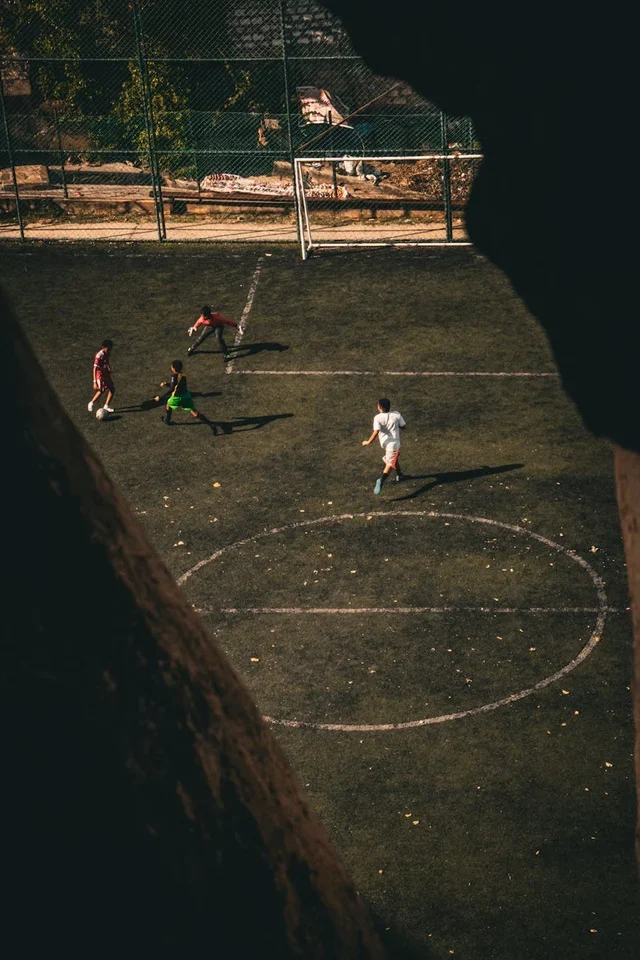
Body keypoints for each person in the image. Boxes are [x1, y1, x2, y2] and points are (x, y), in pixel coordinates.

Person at [362, 397, 406, 494]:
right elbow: (403, 426)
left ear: (379, 407)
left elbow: (376, 431)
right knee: (390, 464)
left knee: (394, 457)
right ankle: (381, 480)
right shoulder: (396, 415)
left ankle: (400, 474)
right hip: (394, 444)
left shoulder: (377, 418)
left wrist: (368, 441)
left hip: (385, 443)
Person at [154, 359, 213, 429]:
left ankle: (167, 420)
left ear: (174, 368)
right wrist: (166, 384)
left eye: (172, 367)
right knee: (194, 412)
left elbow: (173, 388)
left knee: (168, 405)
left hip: (177, 397)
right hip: (186, 395)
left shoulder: (174, 376)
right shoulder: (182, 375)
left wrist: (161, 397)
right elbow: (177, 386)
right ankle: (210, 424)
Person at [88, 339, 115, 413]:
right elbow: (95, 369)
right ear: (103, 347)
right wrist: (94, 382)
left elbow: (107, 361)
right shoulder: (99, 356)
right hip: (99, 374)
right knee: (102, 390)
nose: (109, 350)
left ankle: (106, 407)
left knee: (112, 389)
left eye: (110, 348)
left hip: (105, 373)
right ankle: (91, 403)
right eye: (108, 348)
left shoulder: (107, 353)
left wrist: (108, 367)